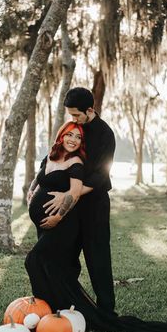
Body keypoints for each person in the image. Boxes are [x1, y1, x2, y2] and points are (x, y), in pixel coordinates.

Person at [25, 120, 167, 332]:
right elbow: (41, 177)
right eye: (69, 135)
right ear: (61, 136)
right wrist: (32, 189)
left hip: (62, 225)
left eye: (78, 137)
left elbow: (75, 194)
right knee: (51, 267)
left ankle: (67, 313)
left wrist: (59, 216)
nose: (73, 140)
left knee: (34, 261)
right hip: (48, 226)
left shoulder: (76, 163)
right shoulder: (50, 156)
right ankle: (55, 310)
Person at [43, 87, 116, 315]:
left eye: (76, 114)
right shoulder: (74, 129)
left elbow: (101, 175)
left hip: (95, 205)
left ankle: (106, 311)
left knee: (98, 258)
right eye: (70, 115)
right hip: (72, 206)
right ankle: (69, 305)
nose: (73, 119)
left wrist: (72, 194)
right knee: (68, 256)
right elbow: (57, 155)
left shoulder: (105, 134)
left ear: (90, 110)